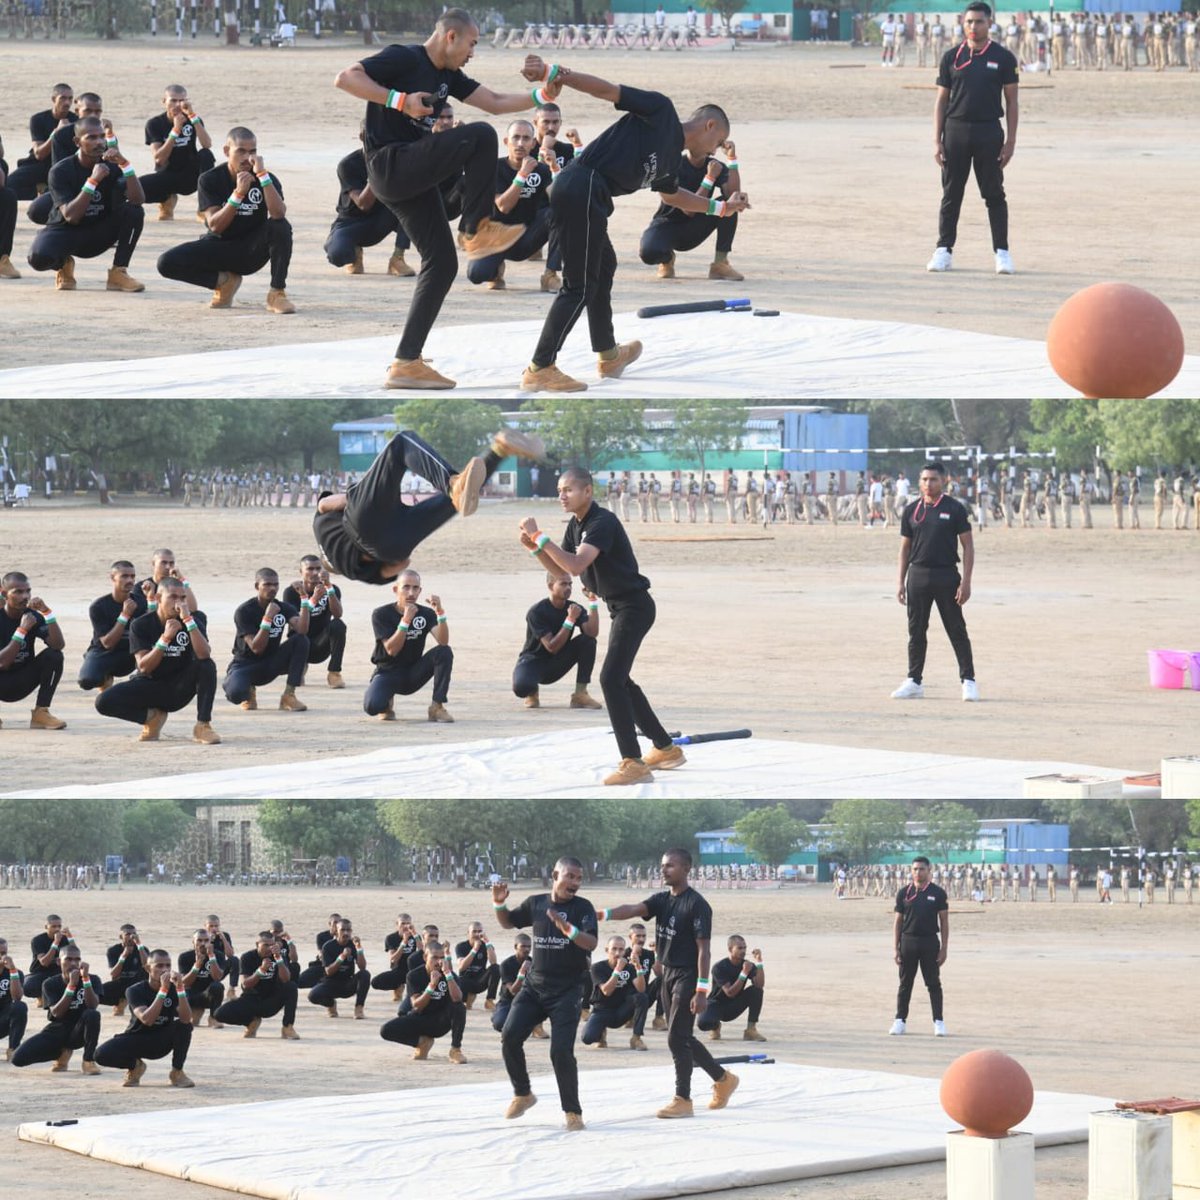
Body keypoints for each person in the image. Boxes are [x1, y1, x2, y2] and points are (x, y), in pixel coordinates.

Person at [333, 9, 552, 390]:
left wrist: (542, 94)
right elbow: (346, 78)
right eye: (472, 43)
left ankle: (406, 362)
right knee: (482, 136)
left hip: (410, 178)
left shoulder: (448, 77)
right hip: (389, 165)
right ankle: (475, 229)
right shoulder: (405, 57)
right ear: (451, 37)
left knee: (442, 264)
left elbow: (497, 101)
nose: (473, 52)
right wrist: (399, 100)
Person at [518, 58, 748, 392]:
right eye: (717, 141)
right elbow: (608, 90)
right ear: (710, 126)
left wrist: (722, 207)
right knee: (578, 286)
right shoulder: (661, 112)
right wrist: (557, 75)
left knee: (605, 265)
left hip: (591, 199)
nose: (715, 150)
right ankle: (540, 366)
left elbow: (674, 197)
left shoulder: (671, 163)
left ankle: (609, 355)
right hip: (579, 186)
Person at [520, 466, 683, 786]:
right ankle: (665, 748)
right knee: (620, 679)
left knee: (610, 679)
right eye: (558, 491)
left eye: (567, 490)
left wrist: (541, 535)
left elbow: (578, 563)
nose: (561, 496)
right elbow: (562, 571)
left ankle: (632, 762)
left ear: (588, 492)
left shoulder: (601, 522)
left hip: (634, 606)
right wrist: (535, 548)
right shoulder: (576, 524)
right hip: (619, 608)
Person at [600, 847, 739, 1118]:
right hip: (667, 974)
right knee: (682, 1035)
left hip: (688, 975)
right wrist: (602, 914)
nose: (664, 870)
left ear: (686, 869)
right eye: (662, 865)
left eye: (670, 866)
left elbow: (704, 951)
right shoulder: (662, 900)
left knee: (676, 1038)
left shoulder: (697, 905)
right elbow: (633, 909)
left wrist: (701, 990)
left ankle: (683, 1098)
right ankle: (723, 1079)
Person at [313, 426, 543, 586]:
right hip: (360, 523)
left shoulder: (354, 573)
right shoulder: (320, 530)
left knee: (454, 503)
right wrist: (360, 494)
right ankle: (452, 483)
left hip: (391, 548)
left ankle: (500, 450)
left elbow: (397, 567)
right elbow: (326, 503)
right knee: (402, 443)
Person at [492, 857, 597, 1130]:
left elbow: (591, 942)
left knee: (560, 1052)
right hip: (534, 987)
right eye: (570, 876)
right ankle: (523, 1093)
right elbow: (508, 922)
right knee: (510, 1036)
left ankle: (573, 1112)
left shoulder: (583, 908)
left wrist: (568, 929)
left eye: (578, 878)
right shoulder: (536, 903)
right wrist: (499, 903)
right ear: (555, 875)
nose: (574, 883)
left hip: (567, 991)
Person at [156, 126, 295, 314]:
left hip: (252, 249)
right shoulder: (210, 179)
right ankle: (223, 282)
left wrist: (262, 177)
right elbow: (215, 226)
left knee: (281, 227)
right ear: (226, 151)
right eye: (241, 151)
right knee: (166, 263)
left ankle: (277, 293)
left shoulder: (266, 178)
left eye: (252, 151)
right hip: (220, 246)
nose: (247, 157)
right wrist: (238, 194)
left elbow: (278, 214)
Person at [926, 1, 1019, 275]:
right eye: (969, 22)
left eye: (978, 22)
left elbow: (1012, 102)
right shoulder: (951, 57)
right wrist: (937, 139)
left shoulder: (1003, 58)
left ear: (989, 23)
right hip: (955, 131)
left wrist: (1010, 141)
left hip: (989, 131)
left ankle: (1002, 253)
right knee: (951, 194)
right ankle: (943, 250)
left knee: (994, 194)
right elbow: (941, 101)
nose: (973, 27)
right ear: (962, 24)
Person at [26, 114, 145, 292]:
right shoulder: (60, 171)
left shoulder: (112, 166)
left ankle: (118, 272)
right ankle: (63, 264)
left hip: (98, 231)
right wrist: (93, 181)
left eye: (102, 136)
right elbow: (72, 217)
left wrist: (125, 164)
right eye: (91, 137)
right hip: (67, 231)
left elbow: (138, 200)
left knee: (134, 211)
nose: (99, 142)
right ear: (77, 142)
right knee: (37, 258)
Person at [891, 461, 978, 702]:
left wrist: (966, 582)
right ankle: (914, 680)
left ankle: (968, 680)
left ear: (944, 481)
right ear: (919, 482)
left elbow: (968, 546)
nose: (928, 484)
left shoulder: (955, 509)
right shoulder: (911, 510)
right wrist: (900, 581)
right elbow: (904, 548)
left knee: (956, 630)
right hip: (917, 576)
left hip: (946, 575)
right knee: (916, 630)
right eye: (925, 480)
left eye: (934, 480)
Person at [95, 576, 220, 744]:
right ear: (159, 598)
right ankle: (152, 718)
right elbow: (144, 667)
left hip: (180, 687)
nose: (179, 603)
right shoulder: (141, 624)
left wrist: (189, 622)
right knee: (104, 701)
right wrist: (165, 639)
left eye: (183, 597)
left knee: (206, 666)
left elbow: (204, 654)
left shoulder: (195, 619)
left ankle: (203, 726)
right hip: (151, 685)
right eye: (173, 597)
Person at [639, 138, 744, 282]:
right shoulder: (674, 166)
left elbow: (734, 195)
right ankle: (667, 259)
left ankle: (720, 264)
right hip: (667, 224)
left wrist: (732, 159)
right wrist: (709, 178)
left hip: (695, 228)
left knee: (729, 205)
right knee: (649, 253)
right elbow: (689, 209)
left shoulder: (714, 166)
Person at [467, 118, 553, 289]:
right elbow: (504, 206)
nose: (520, 143)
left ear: (533, 143)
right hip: (495, 236)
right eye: (516, 137)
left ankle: (551, 274)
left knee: (559, 212)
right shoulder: (493, 168)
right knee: (476, 275)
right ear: (507, 141)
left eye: (526, 138)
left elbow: (559, 199)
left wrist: (555, 168)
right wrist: (522, 175)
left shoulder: (541, 170)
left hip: (525, 237)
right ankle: (496, 270)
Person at [94, 949, 195, 1087]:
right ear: (148, 968)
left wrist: (180, 989)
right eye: (159, 966)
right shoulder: (135, 990)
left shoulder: (175, 988)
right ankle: (135, 1066)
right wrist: (163, 991)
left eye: (168, 965)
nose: (164, 969)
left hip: (162, 1039)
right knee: (101, 1054)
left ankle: (177, 1072)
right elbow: (147, 1019)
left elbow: (186, 1018)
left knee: (184, 1026)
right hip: (137, 1037)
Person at [365, 570, 455, 722]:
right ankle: (386, 704)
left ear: (420, 591)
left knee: (444, 652)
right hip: (388, 672)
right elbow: (391, 650)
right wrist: (405, 621)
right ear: (396, 590)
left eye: (415, 588)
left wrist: (440, 612)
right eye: (406, 587)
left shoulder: (426, 613)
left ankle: (437, 706)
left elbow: (443, 641)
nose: (411, 593)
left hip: (413, 673)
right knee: (372, 707)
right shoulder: (381, 614)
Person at [324, 127, 415, 276]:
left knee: (410, 203)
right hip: (351, 221)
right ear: (362, 136)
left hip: (384, 218)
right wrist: (378, 169)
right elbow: (363, 204)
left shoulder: (396, 159)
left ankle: (398, 258)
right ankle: (353, 254)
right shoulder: (348, 165)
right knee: (337, 254)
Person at [223, 567, 311, 713]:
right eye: (267, 584)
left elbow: (302, 629)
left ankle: (289, 695)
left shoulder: (283, 607)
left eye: (276, 584)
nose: (272, 588)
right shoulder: (244, 611)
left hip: (271, 662)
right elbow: (257, 648)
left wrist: (304, 598)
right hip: (245, 665)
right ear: (257, 586)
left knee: (301, 640)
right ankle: (248, 693)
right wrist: (268, 618)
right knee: (235, 693)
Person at [512, 571, 603, 710]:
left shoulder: (574, 608)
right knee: (521, 687)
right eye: (563, 584)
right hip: (534, 661)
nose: (568, 588)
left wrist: (592, 601)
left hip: (557, 663)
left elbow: (592, 632)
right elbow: (551, 646)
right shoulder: (537, 612)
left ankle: (580, 694)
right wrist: (570, 620)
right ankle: (532, 693)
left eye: (570, 584)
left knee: (588, 641)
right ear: (550, 586)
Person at [11, 943, 102, 1074]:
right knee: (18, 1059)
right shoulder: (50, 983)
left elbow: (93, 1005)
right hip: (58, 1028)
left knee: (92, 1014)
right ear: (59, 962)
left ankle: (88, 1061)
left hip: (81, 1030)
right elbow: (57, 1013)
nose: (73, 963)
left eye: (77, 959)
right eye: (68, 959)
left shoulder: (92, 979)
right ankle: (61, 1054)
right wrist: (71, 986)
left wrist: (86, 980)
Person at [889, 856, 949, 1036]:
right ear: (911, 870)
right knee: (905, 983)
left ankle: (938, 1021)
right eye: (915, 869)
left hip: (929, 941)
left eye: (922, 869)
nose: (918, 872)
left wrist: (944, 948)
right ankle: (900, 1020)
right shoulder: (904, 893)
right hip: (908, 941)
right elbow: (898, 922)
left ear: (929, 871)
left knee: (933, 983)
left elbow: (944, 921)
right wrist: (895, 948)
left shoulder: (938, 893)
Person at [380, 941, 468, 1063]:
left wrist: (448, 974)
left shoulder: (450, 975)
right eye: (435, 957)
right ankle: (422, 1042)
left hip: (441, 1021)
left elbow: (458, 999)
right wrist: (431, 986)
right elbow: (417, 1006)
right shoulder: (414, 975)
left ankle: (455, 1050)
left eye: (442, 957)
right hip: (421, 1019)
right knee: (386, 1030)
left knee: (459, 1007)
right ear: (425, 957)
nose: (439, 961)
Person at [137, 85, 216, 220]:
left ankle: (204, 208)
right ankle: (166, 200)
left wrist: (192, 116)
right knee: (131, 189)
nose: (178, 105)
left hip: (191, 176)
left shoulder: (193, 119)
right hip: (168, 174)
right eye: (173, 100)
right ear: (164, 101)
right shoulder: (154, 123)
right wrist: (175, 130)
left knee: (206, 154)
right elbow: (159, 159)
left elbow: (207, 144)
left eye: (182, 101)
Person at [0, 570, 67, 729]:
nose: (25, 597)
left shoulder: (33, 616)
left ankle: (41, 713)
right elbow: (2, 663)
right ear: (4, 594)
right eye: (18, 592)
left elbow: (58, 645)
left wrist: (47, 613)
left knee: (54, 655)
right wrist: (21, 631)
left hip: (22, 679)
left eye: (28, 591)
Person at [212, 930, 300, 1039]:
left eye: (272, 945)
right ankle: (251, 1022)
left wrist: (279, 959)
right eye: (266, 945)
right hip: (251, 999)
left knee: (291, 986)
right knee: (219, 1014)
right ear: (257, 945)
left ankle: (287, 1027)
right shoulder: (247, 957)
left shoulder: (278, 955)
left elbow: (286, 979)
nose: (269, 948)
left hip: (271, 1001)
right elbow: (246, 984)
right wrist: (260, 971)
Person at [78, 560, 146, 692]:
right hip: (105, 652)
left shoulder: (141, 603)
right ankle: (104, 676)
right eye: (124, 576)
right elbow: (108, 643)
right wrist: (124, 616)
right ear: (112, 578)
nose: (130, 580)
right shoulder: (99, 606)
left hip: (131, 652)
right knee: (87, 681)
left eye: (132, 576)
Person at [282, 556, 347, 689]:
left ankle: (334, 672)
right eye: (310, 569)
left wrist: (329, 588)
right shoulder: (292, 592)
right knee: (297, 683)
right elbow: (297, 623)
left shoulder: (332, 589)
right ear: (301, 572)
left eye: (318, 568)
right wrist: (313, 600)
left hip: (322, 643)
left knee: (338, 625)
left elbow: (337, 614)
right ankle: (300, 666)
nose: (315, 573)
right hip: (300, 643)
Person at [6, 82, 74, 200]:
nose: (67, 102)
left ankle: (49, 191)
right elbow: (39, 154)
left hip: (61, 165)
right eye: (63, 98)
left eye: (70, 99)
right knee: (8, 186)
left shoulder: (76, 121)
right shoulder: (38, 119)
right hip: (38, 164)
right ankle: (42, 191)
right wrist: (56, 133)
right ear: (54, 99)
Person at [581, 934, 648, 1050]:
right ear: (607, 950)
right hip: (602, 1010)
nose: (617, 953)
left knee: (642, 997)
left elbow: (641, 989)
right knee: (587, 1038)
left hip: (622, 1010)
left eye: (621, 949)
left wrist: (638, 967)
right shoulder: (598, 967)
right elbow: (607, 991)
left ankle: (636, 1038)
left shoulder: (629, 967)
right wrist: (617, 970)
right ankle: (601, 1034)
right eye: (614, 949)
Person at [696, 935, 766, 1042]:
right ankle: (715, 1027)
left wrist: (759, 963)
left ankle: (750, 1030)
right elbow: (730, 992)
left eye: (744, 948)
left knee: (756, 991)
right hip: (716, 1004)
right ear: (730, 949)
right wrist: (743, 974)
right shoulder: (719, 967)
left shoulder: (747, 965)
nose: (743, 951)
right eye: (739, 948)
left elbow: (759, 985)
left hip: (734, 1005)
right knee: (703, 1023)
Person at [308, 918, 371, 1019]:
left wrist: (359, 949)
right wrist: (341, 957)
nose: (346, 933)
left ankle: (359, 1008)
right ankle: (331, 1004)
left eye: (348, 930)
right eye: (342, 930)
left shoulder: (353, 945)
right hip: (330, 983)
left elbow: (362, 967)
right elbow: (328, 972)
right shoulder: (328, 947)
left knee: (365, 974)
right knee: (313, 996)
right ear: (336, 931)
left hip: (347, 983)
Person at [178, 928, 226, 1026]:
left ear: (210, 941)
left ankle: (213, 1017)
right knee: (191, 1022)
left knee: (217, 986)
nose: (203, 943)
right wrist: (197, 965)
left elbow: (217, 977)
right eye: (199, 940)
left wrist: (211, 956)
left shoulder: (219, 955)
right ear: (193, 942)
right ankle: (196, 1010)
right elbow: (185, 983)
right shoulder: (185, 957)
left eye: (206, 940)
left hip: (208, 995)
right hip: (191, 994)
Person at [371, 914, 420, 999]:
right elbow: (393, 959)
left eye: (408, 923)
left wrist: (415, 934)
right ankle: (398, 986)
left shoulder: (415, 936)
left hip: (413, 970)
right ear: (397, 924)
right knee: (375, 983)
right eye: (403, 924)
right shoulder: (391, 938)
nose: (405, 926)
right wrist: (404, 942)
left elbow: (424, 952)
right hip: (399, 969)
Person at [102, 923, 149, 1012]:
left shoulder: (143, 950)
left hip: (138, 983)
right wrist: (123, 956)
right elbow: (113, 974)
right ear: (121, 936)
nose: (131, 937)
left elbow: (147, 966)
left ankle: (134, 1002)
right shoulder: (113, 950)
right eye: (127, 934)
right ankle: (120, 1001)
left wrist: (139, 945)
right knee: (98, 992)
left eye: (134, 934)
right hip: (121, 982)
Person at [453, 921, 500, 1009]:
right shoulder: (461, 946)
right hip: (465, 981)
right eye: (474, 931)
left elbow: (493, 962)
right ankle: (464, 1002)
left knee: (496, 968)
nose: (477, 934)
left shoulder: (486, 945)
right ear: (468, 933)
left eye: (479, 931)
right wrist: (474, 949)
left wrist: (487, 942)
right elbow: (461, 967)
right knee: (459, 979)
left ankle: (489, 1000)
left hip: (480, 980)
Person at [0, 938, 28, 1062]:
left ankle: (13, 1048)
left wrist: (12, 970)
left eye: (3, 953)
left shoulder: (16, 974)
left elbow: (17, 997)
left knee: (20, 1006)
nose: (2, 956)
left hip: (3, 1019)